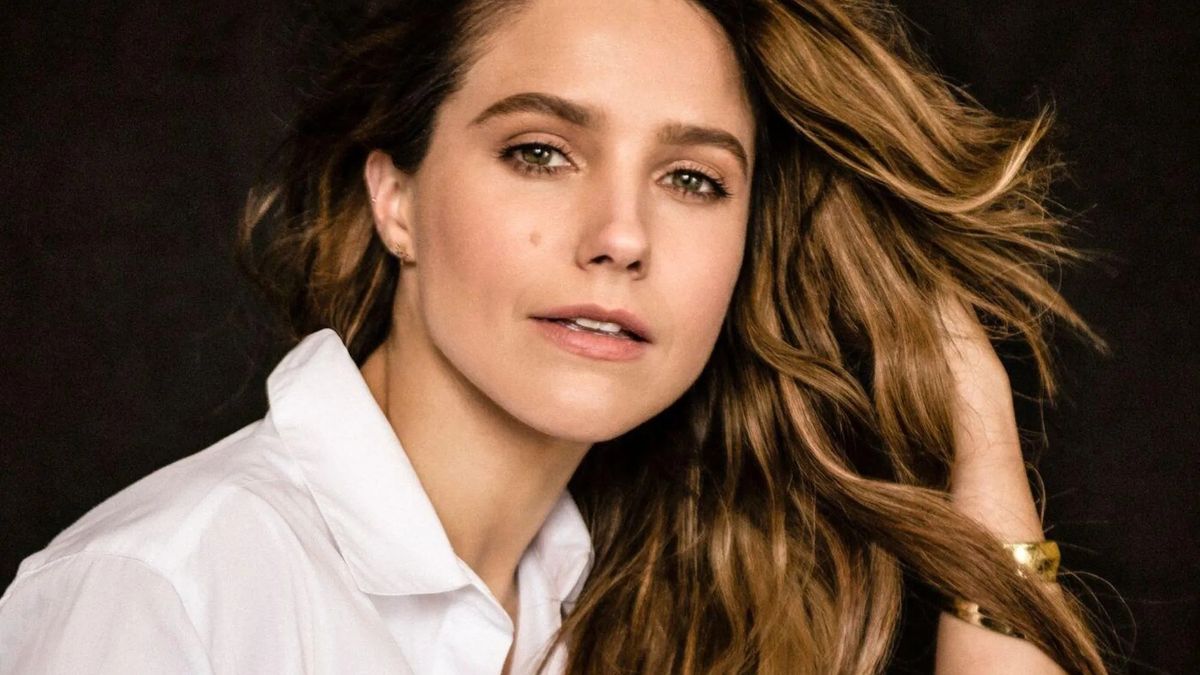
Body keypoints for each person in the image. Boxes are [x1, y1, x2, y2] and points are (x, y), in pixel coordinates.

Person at [0, 0, 1111, 672]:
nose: (621, 236)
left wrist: (979, 428)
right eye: (540, 152)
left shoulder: (629, 601)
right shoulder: (166, 593)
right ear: (396, 197)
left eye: (692, 178)